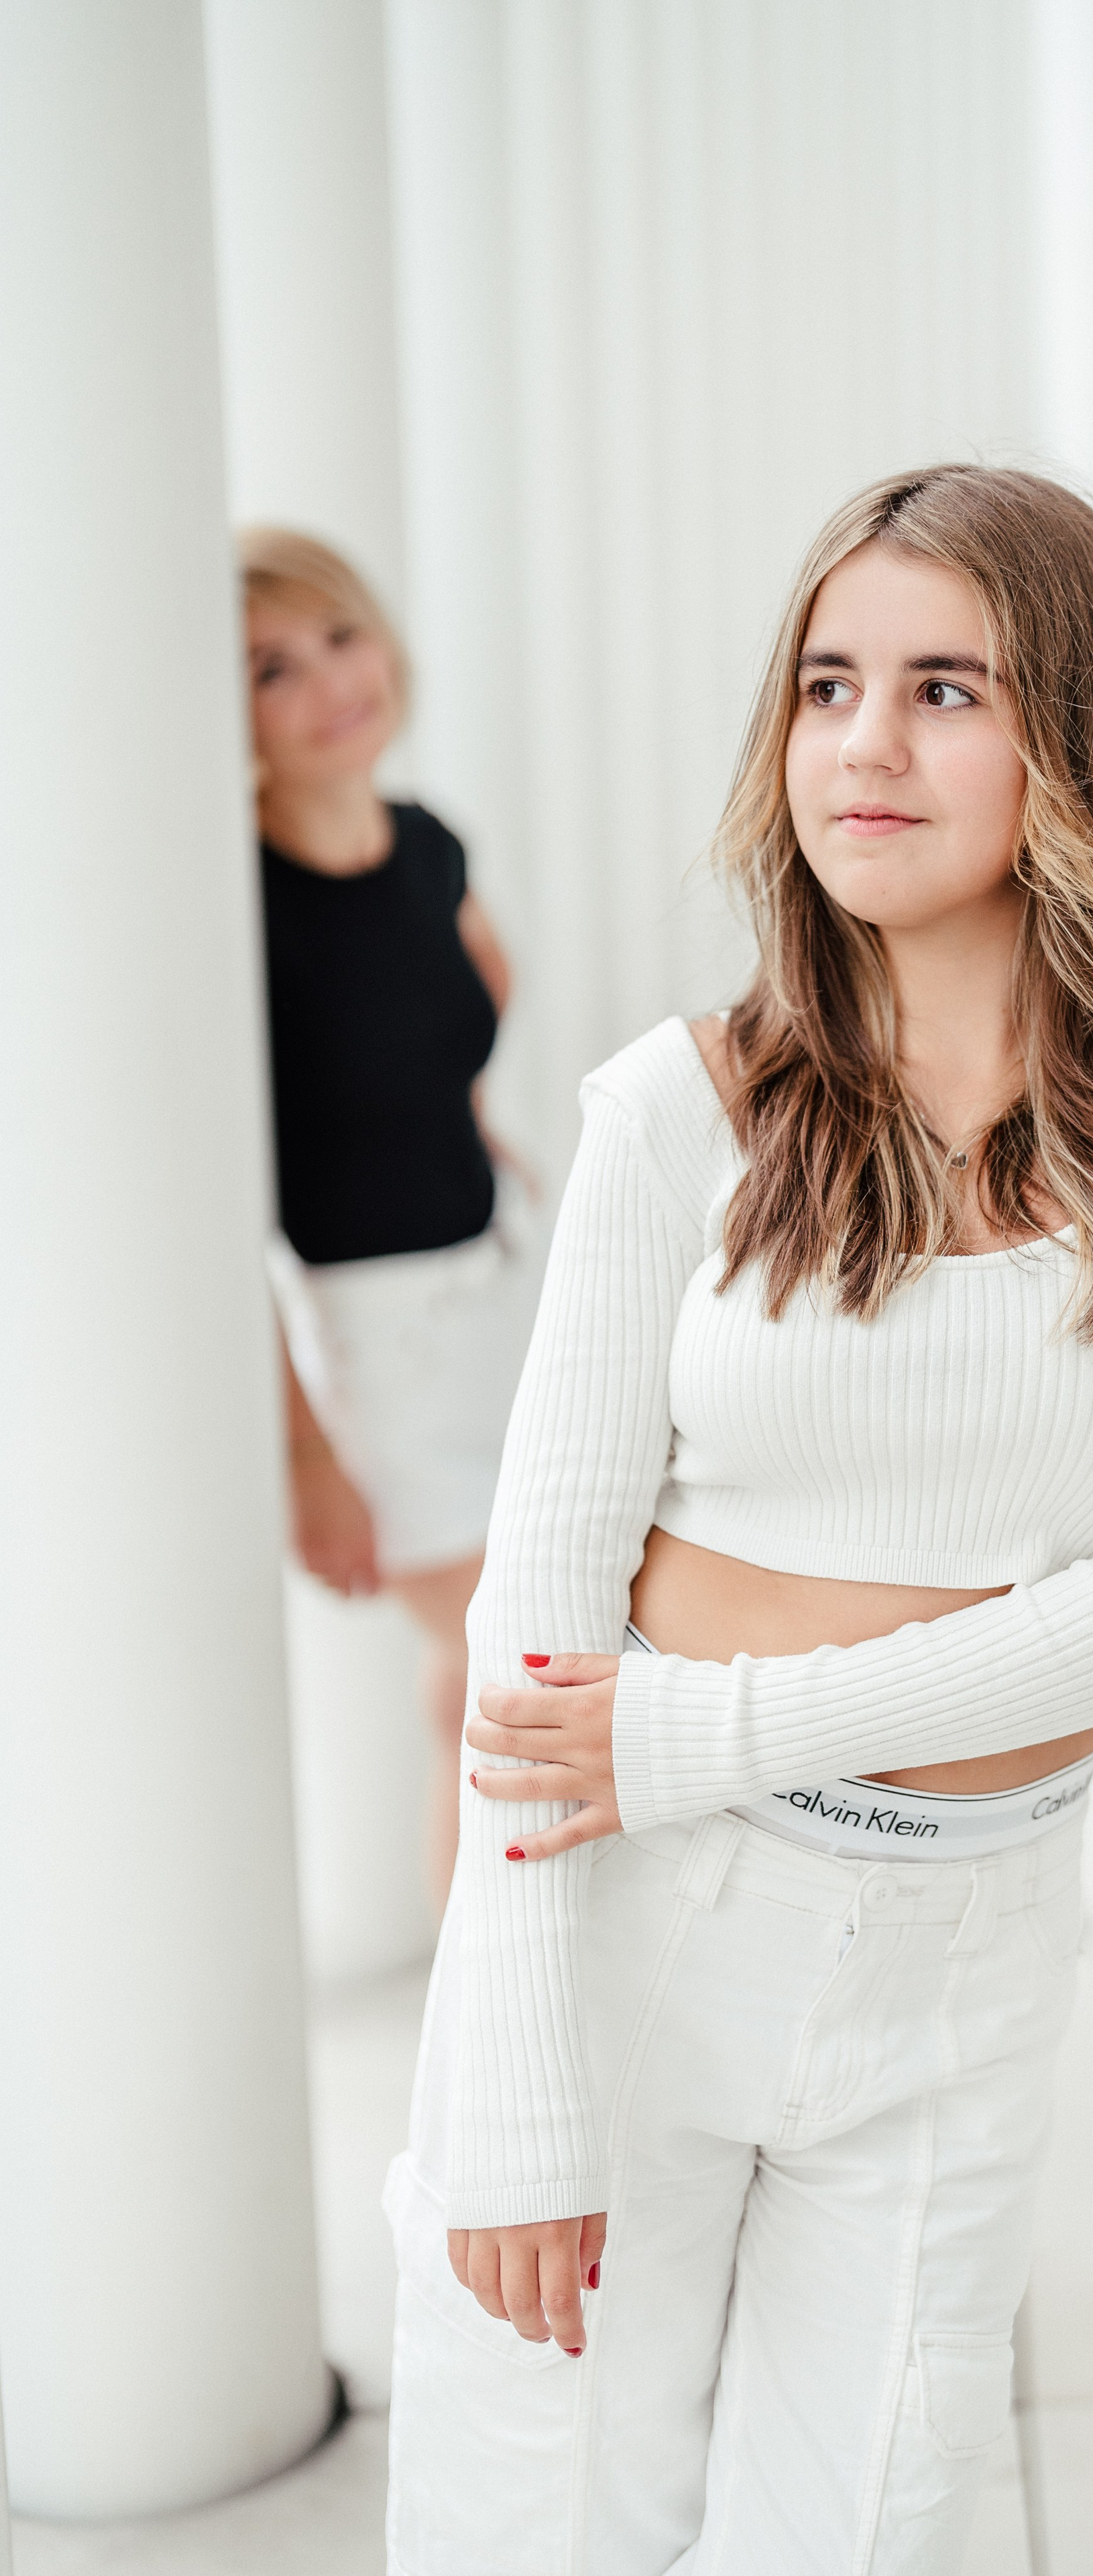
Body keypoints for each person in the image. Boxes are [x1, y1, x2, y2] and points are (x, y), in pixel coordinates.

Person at [384, 466, 1093, 2573]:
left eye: (943, 688)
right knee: (536, 2525)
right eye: (825, 684)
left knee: (870, 2530)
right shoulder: (677, 1108)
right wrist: (517, 2096)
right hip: (633, 1930)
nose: (862, 747)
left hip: (968, 1952)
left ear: (1074, 737)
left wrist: (702, 1727)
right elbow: (540, 1642)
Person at [243, 529, 541, 1909]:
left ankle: (478, 2037)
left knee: (472, 1695)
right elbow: (231, 1220)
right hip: (377, 1346)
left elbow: (449, 1022)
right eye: (268, 669)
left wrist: (464, 1128)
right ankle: (501, 2045)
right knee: (517, 1676)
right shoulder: (240, 910)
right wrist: (304, 1455)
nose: (327, 685)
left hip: (503, 1279)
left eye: (339, 637)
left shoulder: (427, 844)